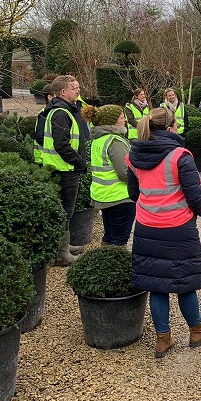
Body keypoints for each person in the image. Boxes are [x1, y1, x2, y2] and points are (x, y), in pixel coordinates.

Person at [126, 107, 201, 359]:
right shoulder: (180, 156)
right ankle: (197, 330)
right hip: (178, 228)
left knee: (157, 284)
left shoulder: (134, 155)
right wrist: (194, 211)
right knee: (184, 281)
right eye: (176, 125)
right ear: (169, 128)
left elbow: (133, 192)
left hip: (147, 227)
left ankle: (163, 339)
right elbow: (195, 198)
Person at [41, 75, 91, 266]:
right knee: (65, 211)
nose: (78, 90)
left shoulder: (63, 110)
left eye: (78, 87)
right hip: (64, 170)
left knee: (66, 210)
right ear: (63, 92)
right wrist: (79, 162)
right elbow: (62, 144)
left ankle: (65, 245)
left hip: (64, 168)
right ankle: (61, 252)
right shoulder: (61, 113)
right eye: (74, 88)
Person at [82, 104, 135, 246]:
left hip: (104, 195)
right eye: (121, 117)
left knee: (109, 236)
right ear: (112, 122)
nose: (124, 120)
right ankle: (116, 266)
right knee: (119, 240)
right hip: (120, 196)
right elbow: (125, 172)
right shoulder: (114, 141)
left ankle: (104, 262)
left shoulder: (98, 139)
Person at [33, 83, 54, 165]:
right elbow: (39, 137)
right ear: (49, 97)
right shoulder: (45, 114)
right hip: (43, 158)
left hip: (47, 158)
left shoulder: (48, 112)